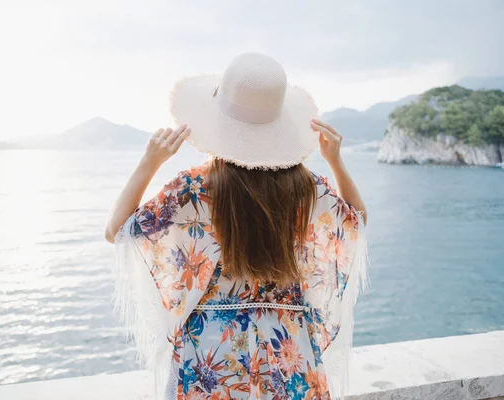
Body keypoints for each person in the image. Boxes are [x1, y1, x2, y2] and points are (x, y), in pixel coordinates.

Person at [105, 53, 368, 400]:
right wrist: (335, 160)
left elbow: (117, 229)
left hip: (213, 351)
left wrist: (150, 161)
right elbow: (357, 220)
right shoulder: (307, 188)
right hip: (288, 346)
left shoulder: (195, 189)